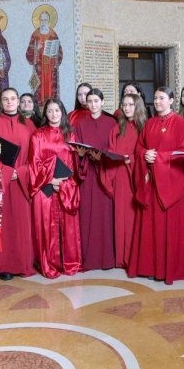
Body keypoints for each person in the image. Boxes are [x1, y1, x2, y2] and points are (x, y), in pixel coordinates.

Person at [128, 87, 184, 283]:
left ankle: (168, 268)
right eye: (155, 98)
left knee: (168, 228)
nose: (157, 102)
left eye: (162, 98)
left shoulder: (179, 123)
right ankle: (150, 266)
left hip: (170, 185)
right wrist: (143, 155)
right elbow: (139, 147)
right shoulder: (150, 123)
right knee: (150, 227)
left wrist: (158, 159)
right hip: (151, 182)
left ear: (172, 100)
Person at [0, 88, 36, 280]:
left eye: (13, 98)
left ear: (18, 101)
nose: (9, 102)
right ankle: (3, 265)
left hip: (23, 179)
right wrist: (7, 172)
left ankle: (22, 263)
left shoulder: (29, 125)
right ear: (1, 102)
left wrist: (20, 172)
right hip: (2, 179)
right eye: (5, 99)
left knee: (21, 223)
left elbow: (35, 155)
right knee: (3, 224)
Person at [27, 99, 81, 277]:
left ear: (62, 112)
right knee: (47, 228)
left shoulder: (70, 135)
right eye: (49, 111)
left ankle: (69, 262)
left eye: (57, 110)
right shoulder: (37, 135)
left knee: (67, 228)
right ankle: (49, 264)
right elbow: (34, 164)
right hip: (45, 188)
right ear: (45, 114)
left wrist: (64, 183)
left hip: (66, 187)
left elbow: (74, 164)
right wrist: (51, 180)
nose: (53, 114)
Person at [71, 88, 116, 269]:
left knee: (104, 216)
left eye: (96, 101)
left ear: (102, 102)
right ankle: (88, 257)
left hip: (104, 174)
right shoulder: (80, 124)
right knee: (86, 215)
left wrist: (103, 157)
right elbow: (77, 150)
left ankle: (106, 258)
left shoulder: (111, 123)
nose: (93, 104)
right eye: (90, 101)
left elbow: (114, 149)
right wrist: (81, 155)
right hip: (87, 173)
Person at [103, 92, 146, 267]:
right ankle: (122, 258)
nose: (127, 108)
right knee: (122, 217)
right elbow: (111, 151)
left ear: (137, 107)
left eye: (130, 104)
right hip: (120, 176)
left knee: (136, 218)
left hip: (137, 176)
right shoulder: (116, 128)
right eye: (124, 105)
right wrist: (116, 158)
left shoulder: (144, 127)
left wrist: (133, 159)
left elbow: (147, 153)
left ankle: (136, 257)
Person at [25, 9, 62, 103]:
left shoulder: (53, 35)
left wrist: (55, 55)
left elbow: (60, 51)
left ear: (48, 21)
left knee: (50, 89)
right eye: (41, 20)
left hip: (50, 68)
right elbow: (29, 52)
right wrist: (36, 49)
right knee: (39, 89)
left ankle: (51, 105)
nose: (43, 22)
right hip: (39, 67)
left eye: (45, 20)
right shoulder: (35, 34)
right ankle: (39, 107)